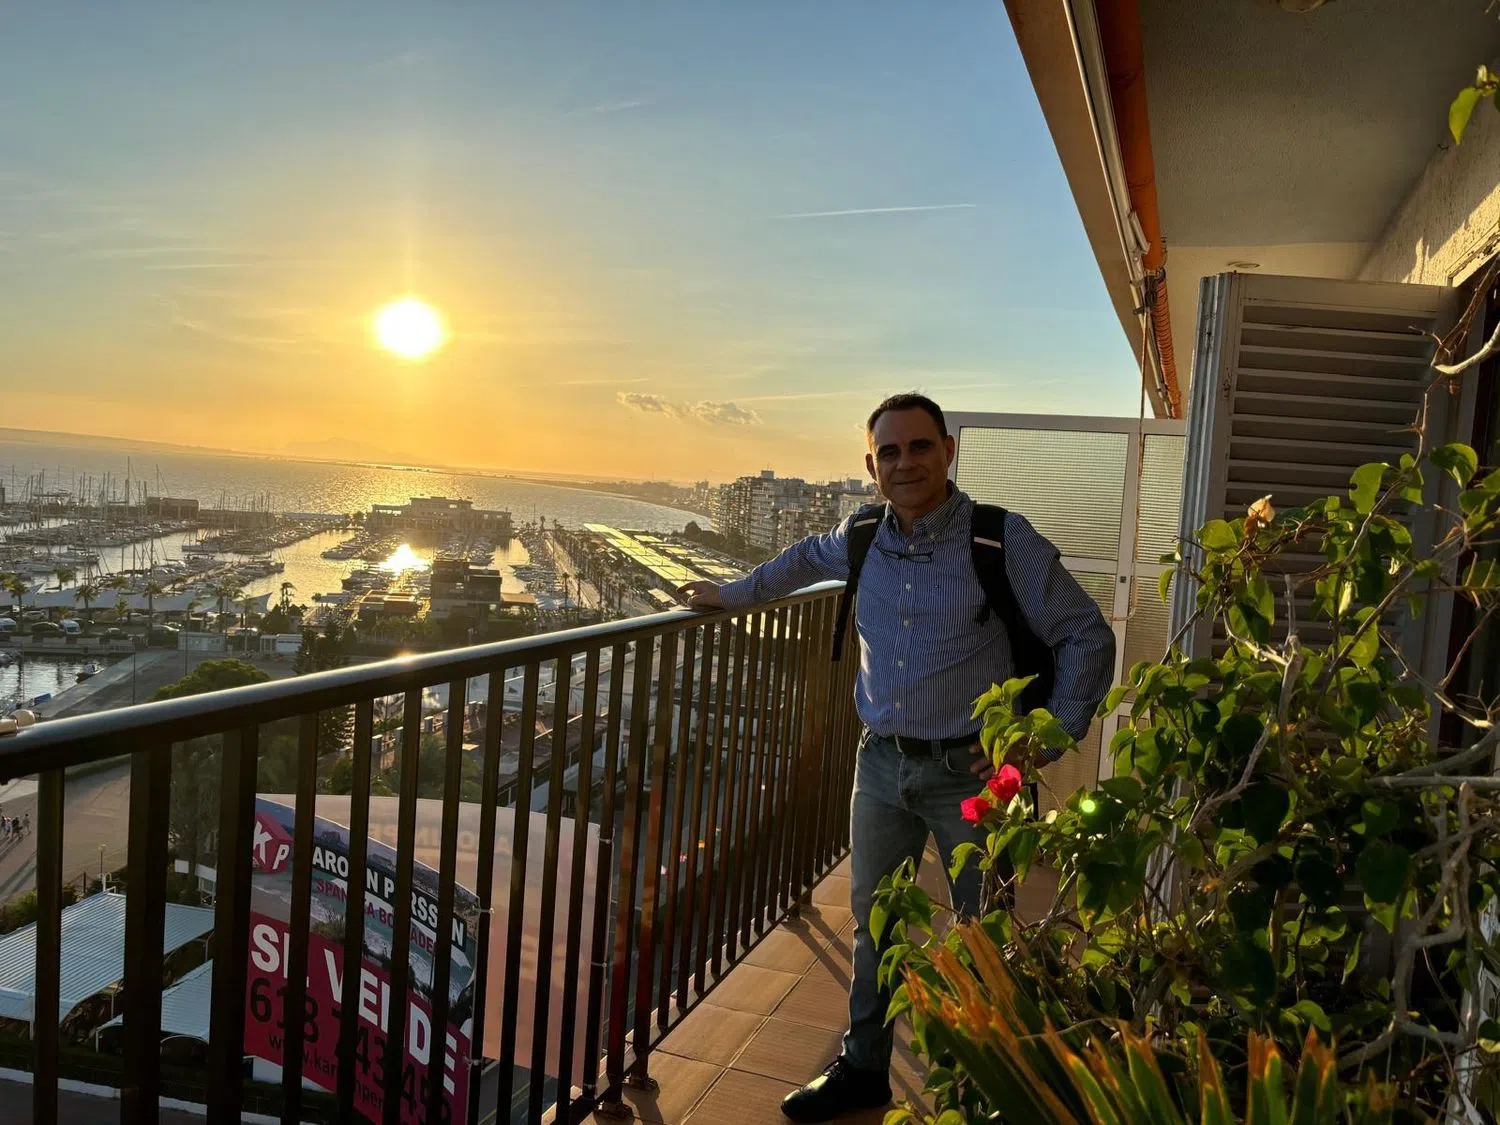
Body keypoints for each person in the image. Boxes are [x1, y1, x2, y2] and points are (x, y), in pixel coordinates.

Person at [678, 393, 1116, 1123]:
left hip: (979, 769)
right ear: (871, 464)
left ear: (947, 451)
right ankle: (863, 1069)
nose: (904, 463)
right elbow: (799, 560)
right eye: (890, 451)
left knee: (988, 929)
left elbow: (1087, 636)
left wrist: (1041, 742)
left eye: (919, 447)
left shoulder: (1000, 539)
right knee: (873, 921)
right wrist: (730, 594)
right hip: (881, 763)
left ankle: (989, 1083)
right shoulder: (862, 534)